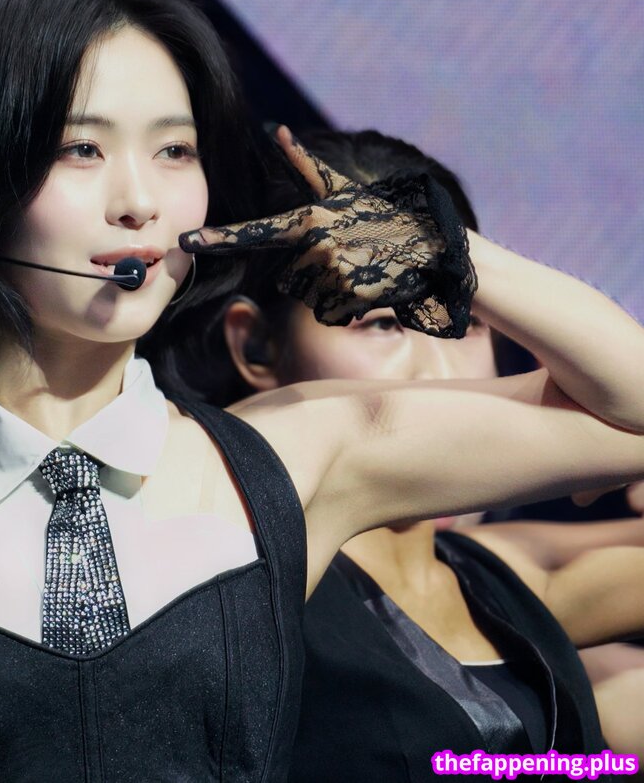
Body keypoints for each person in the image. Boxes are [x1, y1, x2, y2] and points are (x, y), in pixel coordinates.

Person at [0, 0, 644, 782]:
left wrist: (446, 250)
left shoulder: (287, 461)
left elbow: (628, 410)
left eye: (174, 150)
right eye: (81, 148)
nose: (140, 200)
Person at [204, 128, 644, 779]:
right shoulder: (240, 563)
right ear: (256, 347)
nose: (440, 374)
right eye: (383, 323)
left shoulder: (499, 577)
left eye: (464, 321)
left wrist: (449, 248)